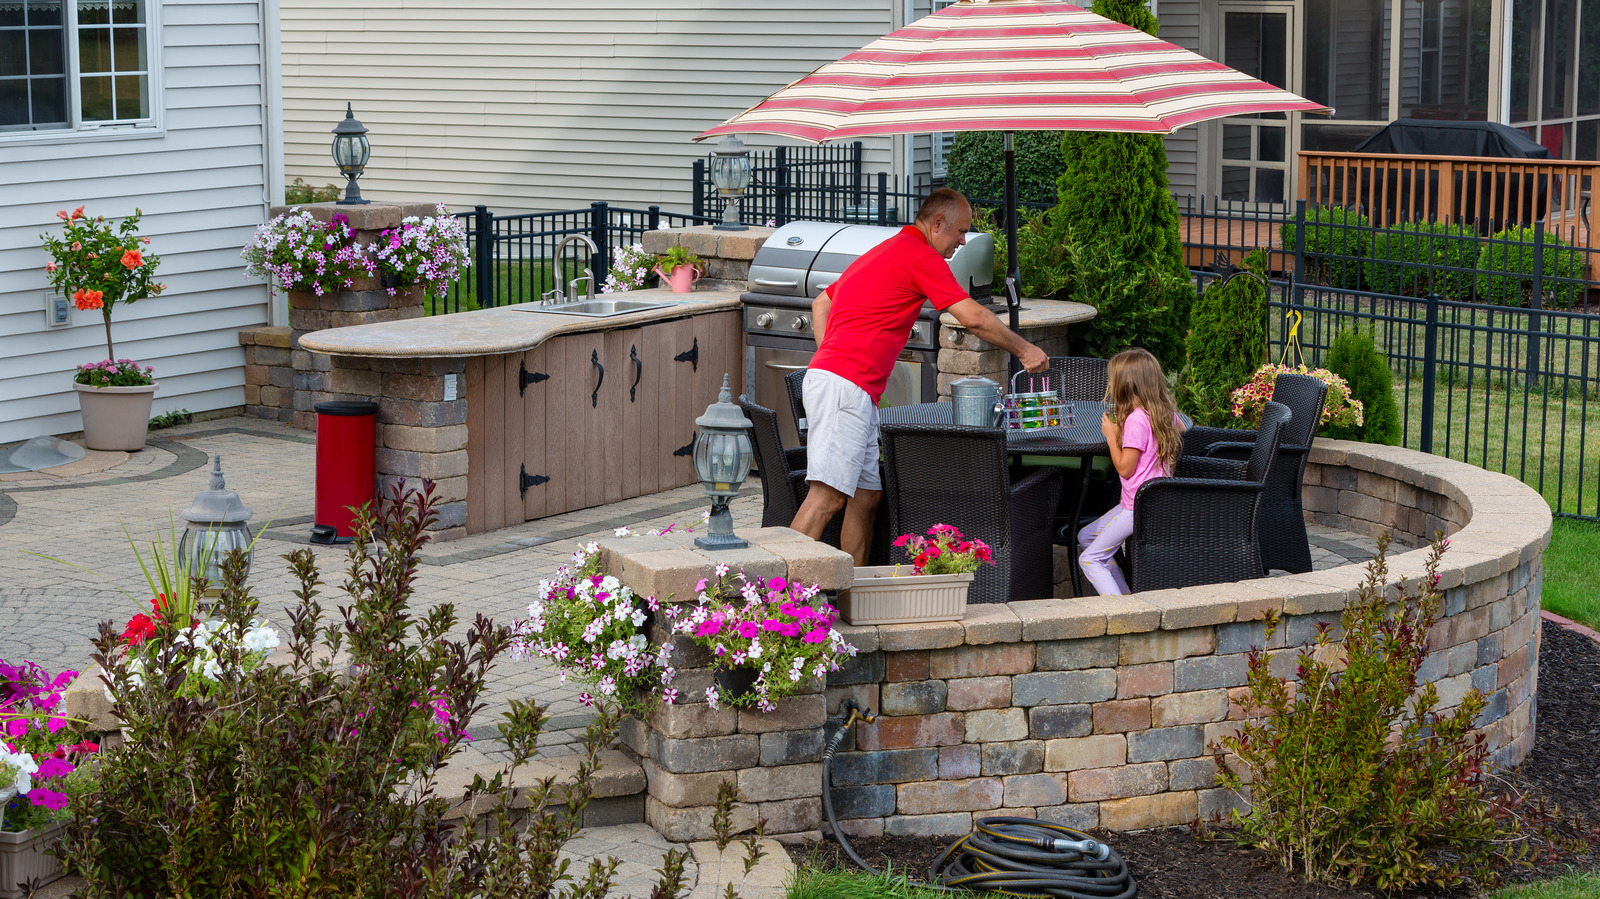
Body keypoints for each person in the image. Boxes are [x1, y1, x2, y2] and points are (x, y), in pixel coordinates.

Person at [790, 188, 1049, 564]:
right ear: (937, 223)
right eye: (960, 231)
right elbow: (973, 317)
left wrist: (829, 356)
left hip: (849, 385)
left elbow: (822, 303)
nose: (963, 240)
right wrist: (1025, 350)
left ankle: (852, 598)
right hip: (845, 385)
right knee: (825, 498)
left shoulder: (887, 249)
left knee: (866, 496)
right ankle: (772, 602)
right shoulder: (920, 255)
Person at [1077, 348, 1187, 595]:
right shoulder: (1161, 414)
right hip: (1149, 501)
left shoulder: (1136, 420)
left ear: (1127, 385)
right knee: (1086, 536)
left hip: (1136, 508)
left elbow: (1125, 469)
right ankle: (1125, 595)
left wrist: (1111, 436)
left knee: (1089, 560)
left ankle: (1123, 613)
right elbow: (1181, 427)